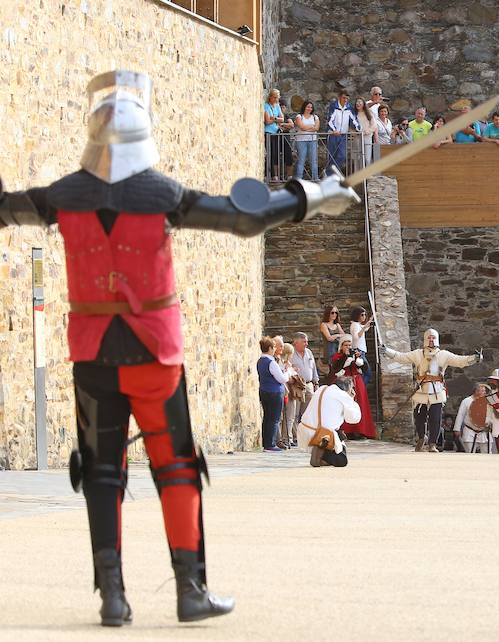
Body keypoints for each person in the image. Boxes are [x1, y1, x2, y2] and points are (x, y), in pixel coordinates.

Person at [0, 69, 359, 626]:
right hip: (154, 356)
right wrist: (311, 194)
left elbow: (5, 206)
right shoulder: (161, 194)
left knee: (100, 471)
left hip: (92, 355)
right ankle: (190, 590)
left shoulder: (62, 196)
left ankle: (112, 598)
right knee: (176, 467)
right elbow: (246, 218)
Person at [382, 328, 481, 452]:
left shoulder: (444, 355)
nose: (431, 340)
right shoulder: (418, 354)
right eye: (429, 338)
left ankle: (432, 443)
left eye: (433, 337)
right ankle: (421, 438)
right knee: (419, 417)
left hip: (437, 391)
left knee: (436, 418)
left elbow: (459, 360)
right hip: (421, 390)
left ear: (437, 339)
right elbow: (402, 357)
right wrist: (387, 351)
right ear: (425, 339)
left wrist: (474, 358)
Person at [299, 378, 360, 468]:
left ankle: (321, 450)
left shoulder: (322, 388)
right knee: (342, 461)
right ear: (348, 388)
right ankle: (321, 456)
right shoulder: (343, 395)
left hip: (304, 430)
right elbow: (353, 419)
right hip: (322, 434)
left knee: (339, 434)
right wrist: (352, 400)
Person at [327, 336, 376, 439]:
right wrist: (345, 357)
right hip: (344, 383)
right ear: (341, 346)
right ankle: (347, 431)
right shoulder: (337, 356)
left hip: (357, 382)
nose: (348, 347)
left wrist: (359, 359)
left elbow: (365, 368)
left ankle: (360, 430)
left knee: (360, 405)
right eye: (346, 345)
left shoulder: (357, 354)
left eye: (350, 345)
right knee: (345, 405)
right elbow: (336, 369)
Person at [259, 336, 290, 452]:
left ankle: (266, 443)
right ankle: (270, 444)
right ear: (270, 348)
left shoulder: (260, 361)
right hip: (274, 392)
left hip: (264, 390)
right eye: (274, 347)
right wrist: (287, 373)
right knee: (274, 418)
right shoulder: (271, 362)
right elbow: (281, 378)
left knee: (267, 418)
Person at [289, 332, 320, 448]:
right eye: (304, 342)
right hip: (296, 385)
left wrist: (316, 381)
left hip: (309, 385)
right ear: (296, 342)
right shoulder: (291, 353)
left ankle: (306, 436)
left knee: (307, 413)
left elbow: (314, 368)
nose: (306, 344)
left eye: (306, 341)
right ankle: (296, 436)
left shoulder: (309, 353)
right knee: (295, 412)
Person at [453, 383, 493, 453]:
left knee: (487, 453)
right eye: (482, 391)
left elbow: (493, 415)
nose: (484, 392)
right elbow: (461, 415)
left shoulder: (488, 401)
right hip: (470, 432)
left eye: (484, 391)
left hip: (485, 432)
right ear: (476, 391)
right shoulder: (466, 401)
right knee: (470, 453)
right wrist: (457, 428)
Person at [326, 90, 357, 175]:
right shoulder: (333, 106)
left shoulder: (349, 108)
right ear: (339, 97)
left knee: (342, 156)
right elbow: (329, 120)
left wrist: (358, 128)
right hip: (333, 135)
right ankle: (329, 175)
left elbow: (354, 120)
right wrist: (334, 130)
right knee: (332, 156)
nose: (345, 100)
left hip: (343, 136)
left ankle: (333, 173)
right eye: (344, 98)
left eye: (347, 98)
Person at [264, 88, 291, 181]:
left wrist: (274, 118)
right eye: (274, 97)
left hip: (276, 132)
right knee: (270, 153)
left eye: (277, 98)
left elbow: (282, 119)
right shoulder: (266, 106)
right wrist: (277, 119)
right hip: (268, 133)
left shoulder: (277, 106)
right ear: (270, 97)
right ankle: (272, 175)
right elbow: (267, 121)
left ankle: (275, 175)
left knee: (275, 154)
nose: (276, 100)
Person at [278, 342, 300, 449]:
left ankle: (287, 438)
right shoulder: (282, 364)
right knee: (288, 416)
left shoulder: (285, 363)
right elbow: (287, 378)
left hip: (288, 391)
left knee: (289, 416)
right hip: (287, 391)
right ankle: (285, 438)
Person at [293, 100, 320, 181]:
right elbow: (302, 127)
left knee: (313, 160)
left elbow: (317, 128)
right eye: (308, 106)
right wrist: (311, 126)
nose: (309, 108)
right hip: (301, 141)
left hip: (312, 140)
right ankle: (299, 179)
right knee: (301, 160)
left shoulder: (315, 117)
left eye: (311, 107)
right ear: (304, 107)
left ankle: (315, 178)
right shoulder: (299, 116)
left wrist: (306, 127)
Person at [348, 306, 374, 384]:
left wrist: (371, 319)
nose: (364, 317)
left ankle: (360, 389)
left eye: (365, 315)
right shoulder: (355, 325)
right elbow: (356, 337)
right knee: (368, 373)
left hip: (361, 351)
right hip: (358, 351)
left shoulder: (357, 324)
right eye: (362, 315)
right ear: (357, 315)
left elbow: (366, 328)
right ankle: (360, 389)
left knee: (363, 373)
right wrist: (364, 327)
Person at [354, 97, 376, 167]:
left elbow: (374, 125)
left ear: (363, 104)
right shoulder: (353, 114)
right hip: (357, 137)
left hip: (367, 137)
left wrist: (367, 131)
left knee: (367, 157)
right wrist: (354, 133)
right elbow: (350, 126)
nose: (358, 104)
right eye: (357, 102)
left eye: (360, 102)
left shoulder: (369, 113)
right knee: (358, 157)